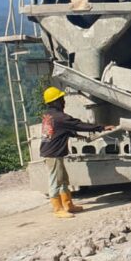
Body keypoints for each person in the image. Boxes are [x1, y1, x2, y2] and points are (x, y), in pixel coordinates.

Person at [39, 86, 112, 218]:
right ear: (55, 102)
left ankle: (68, 205)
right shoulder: (60, 117)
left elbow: (60, 130)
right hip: (53, 154)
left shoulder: (49, 116)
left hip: (52, 152)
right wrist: (101, 127)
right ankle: (57, 209)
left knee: (63, 179)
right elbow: (78, 124)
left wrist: (75, 135)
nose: (63, 101)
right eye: (61, 99)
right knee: (55, 181)